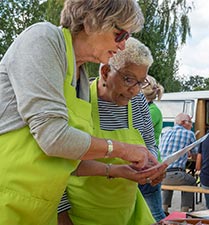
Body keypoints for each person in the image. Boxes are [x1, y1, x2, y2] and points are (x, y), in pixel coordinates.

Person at [0, 1, 154, 224]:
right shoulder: (43, 39)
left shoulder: (79, 76)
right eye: (120, 35)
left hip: (38, 210)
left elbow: (68, 161)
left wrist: (118, 170)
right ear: (93, 22)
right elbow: (53, 138)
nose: (122, 46)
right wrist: (122, 149)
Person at [58, 37, 168, 225]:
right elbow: (58, 164)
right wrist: (62, 215)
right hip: (81, 215)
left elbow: (150, 142)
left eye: (141, 82)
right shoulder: (79, 98)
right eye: (128, 79)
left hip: (128, 213)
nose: (134, 91)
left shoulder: (139, 102)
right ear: (106, 71)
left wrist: (152, 165)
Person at [139, 75, 166, 221]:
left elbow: (137, 133)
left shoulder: (152, 111)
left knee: (155, 213)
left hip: (150, 165)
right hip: (146, 163)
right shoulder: (152, 109)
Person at [160, 113, 198, 213]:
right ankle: (184, 210)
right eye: (190, 122)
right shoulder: (189, 134)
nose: (192, 125)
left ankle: (164, 209)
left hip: (161, 175)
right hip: (176, 174)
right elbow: (195, 155)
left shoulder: (166, 132)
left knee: (169, 178)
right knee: (191, 181)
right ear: (182, 122)